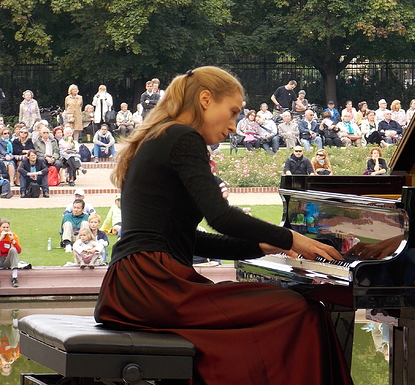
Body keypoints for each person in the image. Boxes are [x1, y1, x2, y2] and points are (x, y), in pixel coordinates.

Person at [94, 66, 351, 385]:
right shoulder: (183, 137)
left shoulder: (161, 137)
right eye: (232, 112)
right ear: (205, 99)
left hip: (134, 286)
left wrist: (261, 246)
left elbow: (193, 241)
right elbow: (220, 216)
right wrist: (290, 240)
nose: (233, 126)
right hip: (154, 286)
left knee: (284, 311)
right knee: (300, 311)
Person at [0, 219, 21, 287]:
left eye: (7, 227)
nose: (5, 229)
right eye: (3, 227)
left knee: (13, 249)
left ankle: (14, 277)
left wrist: (13, 240)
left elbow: (19, 251)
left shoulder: (13, 235)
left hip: (7, 261)